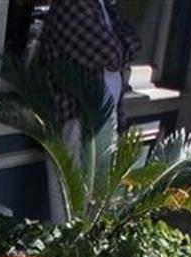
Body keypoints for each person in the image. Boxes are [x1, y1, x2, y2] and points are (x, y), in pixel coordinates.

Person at [33, 0, 141, 221]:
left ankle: (84, 255)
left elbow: (134, 42)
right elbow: (108, 53)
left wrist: (118, 47)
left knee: (99, 207)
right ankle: (67, 255)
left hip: (105, 118)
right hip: (76, 117)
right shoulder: (72, 4)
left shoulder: (102, 5)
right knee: (72, 210)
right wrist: (118, 48)